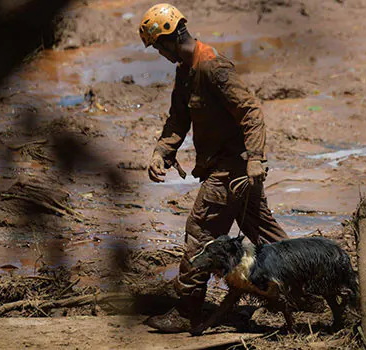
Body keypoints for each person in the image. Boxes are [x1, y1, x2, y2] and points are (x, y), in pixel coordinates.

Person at [139, 3, 289, 332]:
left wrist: (254, 158)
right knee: (268, 236)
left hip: (231, 171)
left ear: (169, 39)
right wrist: (161, 152)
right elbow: (178, 118)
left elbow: (251, 111)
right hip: (227, 171)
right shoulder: (186, 70)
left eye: (159, 47)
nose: (160, 55)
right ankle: (305, 291)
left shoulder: (212, 68)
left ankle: (188, 310)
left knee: (200, 232)